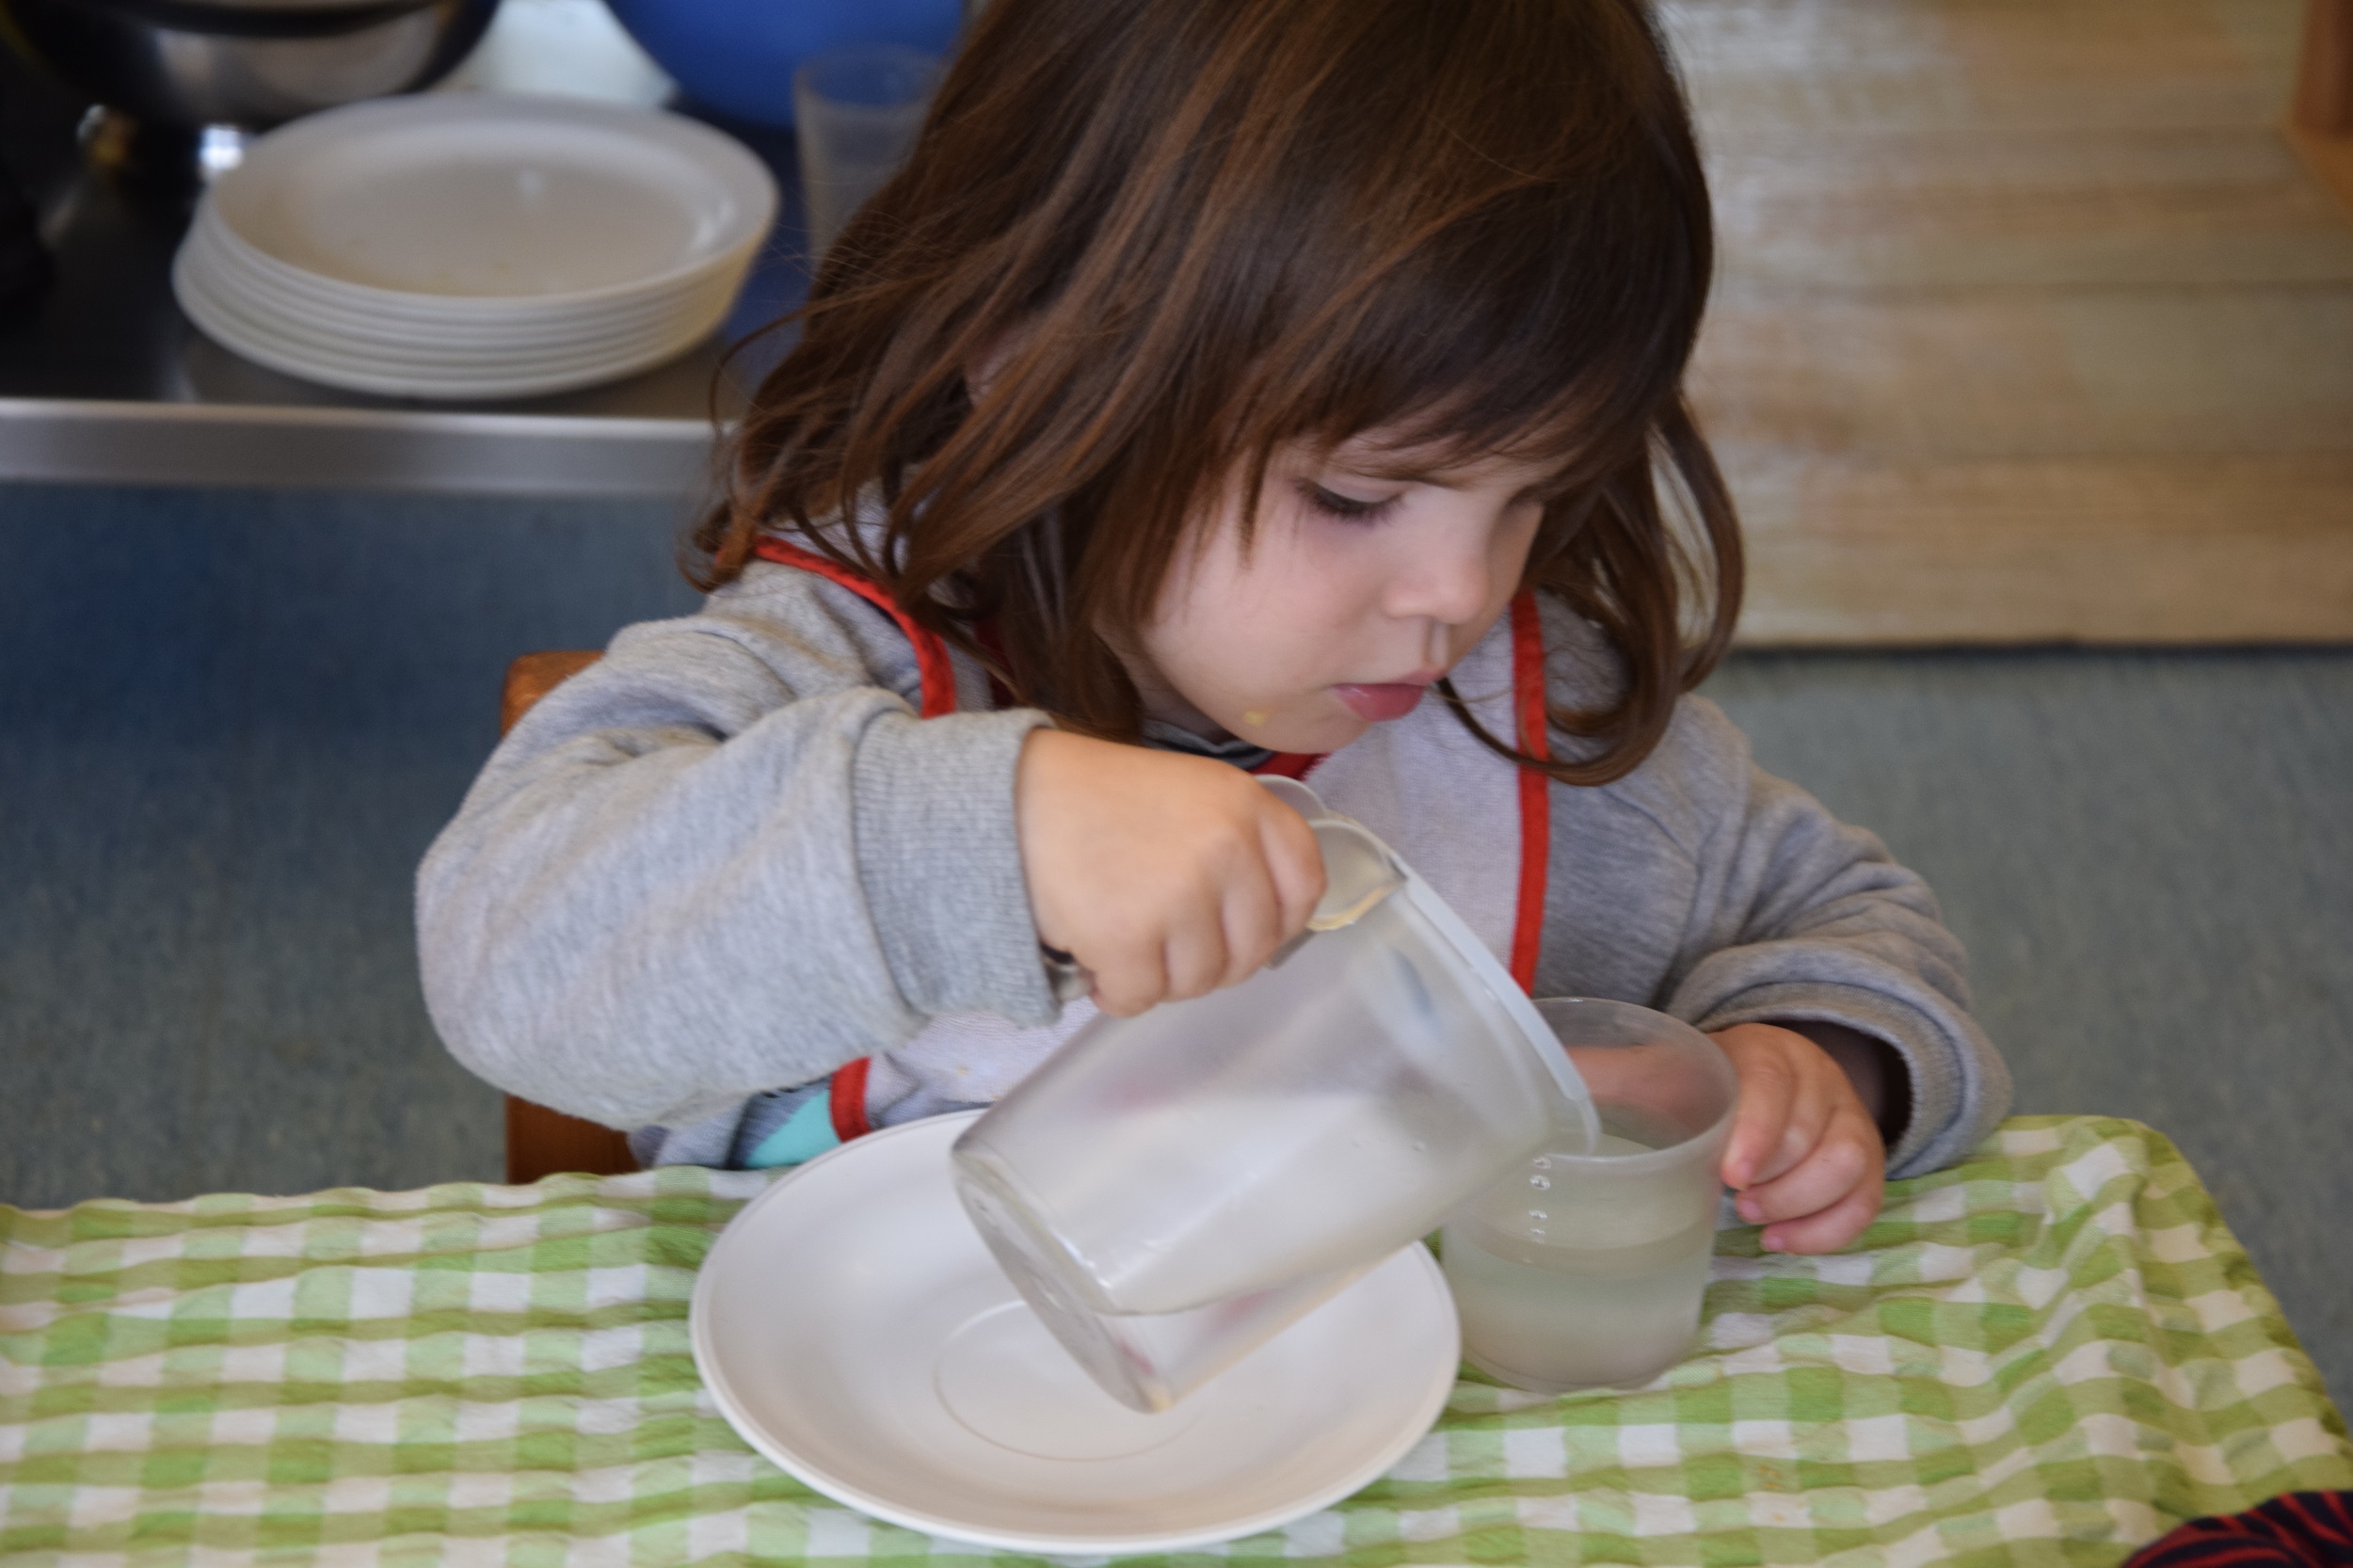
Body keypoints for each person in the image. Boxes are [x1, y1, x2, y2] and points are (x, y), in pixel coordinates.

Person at [418, 0, 2009, 1256]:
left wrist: (1812, 1055)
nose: (1460, 594)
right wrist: (995, 833)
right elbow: (503, 953)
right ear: (1034, 356)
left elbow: (1853, 914)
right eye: (1354, 496)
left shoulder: (1540, 734)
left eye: (1532, 493)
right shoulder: (841, 658)